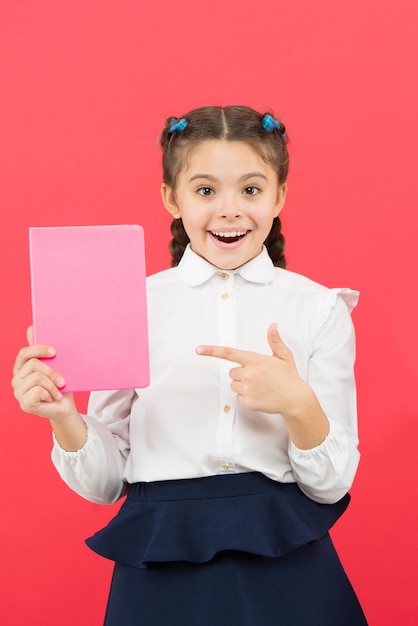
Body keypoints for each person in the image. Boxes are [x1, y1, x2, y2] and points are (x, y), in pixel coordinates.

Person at [12, 105, 368, 625]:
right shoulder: (129, 305)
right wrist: (65, 418)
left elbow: (331, 484)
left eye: (250, 189)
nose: (230, 210)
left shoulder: (318, 309)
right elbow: (105, 485)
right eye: (205, 191)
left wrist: (298, 405)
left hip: (284, 556)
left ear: (279, 196)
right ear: (170, 198)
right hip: (162, 559)